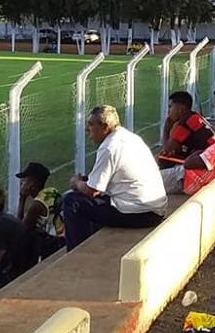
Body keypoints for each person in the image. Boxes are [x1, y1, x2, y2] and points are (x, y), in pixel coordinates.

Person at [61, 106, 167, 251]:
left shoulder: (109, 147)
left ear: (105, 127)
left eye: (91, 124)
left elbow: (92, 191)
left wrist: (76, 183)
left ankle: (75, 253)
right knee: (94, 198)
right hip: (153, 209)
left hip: (141, 213)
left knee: (72, 201)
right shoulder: (129, 137)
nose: (87, 130)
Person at [161, 110, 215, 195]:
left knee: (150, 182)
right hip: (187, 177)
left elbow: (188, 164)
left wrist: (197, 152)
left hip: (185, 179)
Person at [15, 162, 65, 260]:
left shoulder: (37, 205)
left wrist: (22, 198)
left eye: (25, 180)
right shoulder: (51, 191)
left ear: (32, 184)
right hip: (64, 237)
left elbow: (20, 230)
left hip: (56, 244)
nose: (21, 183)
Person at [160, 91, 214, 165]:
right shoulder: (194, 116)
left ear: (181, 109)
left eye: (170, 107)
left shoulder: (186, 121)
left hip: (207, 163)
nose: (168, 111)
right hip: (210, 157)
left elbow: (167, 150)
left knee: (162, 160)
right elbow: (176, 148)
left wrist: (167, 125)